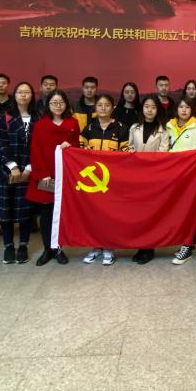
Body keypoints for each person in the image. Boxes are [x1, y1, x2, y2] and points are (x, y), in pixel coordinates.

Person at [27, 89, 79, 265]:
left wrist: (70, 145)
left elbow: (77, 147)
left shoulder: (73, 123)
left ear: (66, 104)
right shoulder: (40, 125)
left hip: (66, 175)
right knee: (47, 213)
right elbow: (36, 151)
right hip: (46, 175)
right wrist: (43, 174)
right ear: (48, 105)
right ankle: (47, 250)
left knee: (62, 212)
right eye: (54, 103)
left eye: (61, 102)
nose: (58, 106)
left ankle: (58, 249)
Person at [80, 94, 128, 266]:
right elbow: (79, 151)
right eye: (99, 105)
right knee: (93, 214)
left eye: (107, 105)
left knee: (109, 214)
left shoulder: (121, 128)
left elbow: (125, 154)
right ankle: (95, 247)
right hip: (93, 181)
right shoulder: (88, 128)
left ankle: (109, 247)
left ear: (112, 108)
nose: (103, 108)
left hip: (112, 180)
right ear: (95, 108)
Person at [0, 82, 37, 264]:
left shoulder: (38, 118)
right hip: (7, 171)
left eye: (27, 92)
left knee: (25, 210)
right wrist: (13, 166)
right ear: (14, 95)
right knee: (6, 211)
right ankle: (8, 246)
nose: (23, 95)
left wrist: (29, 167)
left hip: (29, 170)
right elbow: (1, 144)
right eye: (20, 92)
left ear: (32, 95)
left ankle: (24, 245)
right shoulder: (6, 117)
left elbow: (40, 146)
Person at [127, 95, 171, 264]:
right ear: (142, 108)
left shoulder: (163, 130)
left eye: (153, 107)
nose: (150, 110)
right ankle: (140, 246)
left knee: (151, 213)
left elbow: (163, 153)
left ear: (157, 109)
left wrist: (146, 161)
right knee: (138, 213)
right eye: (146, 106)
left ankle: (149, 248)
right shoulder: (134, 127)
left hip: (154, 177)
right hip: (136, 176)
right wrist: (132, 153)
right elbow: (129, 147)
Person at [168, 97, 196, 264]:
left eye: (187, 107)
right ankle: (182, 241)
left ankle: (188, 245)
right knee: (176, 211)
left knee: (188, 211)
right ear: (176, 109)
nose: (184, 110)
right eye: (181, 107)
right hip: (171, 176)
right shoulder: (168, 126)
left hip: (190, 177)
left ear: (192, 110)